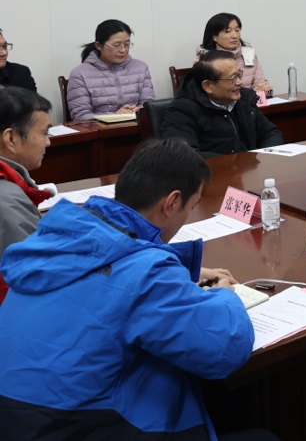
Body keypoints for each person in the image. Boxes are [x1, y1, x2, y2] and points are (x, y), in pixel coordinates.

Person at [0, 138, 266, 440]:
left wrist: (177, 271)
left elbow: (109, 275)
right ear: (172, 202)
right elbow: (225, 347)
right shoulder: (146, 275)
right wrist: (225, 295)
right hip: (78, 426)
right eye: (191, 207)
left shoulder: (56, 237)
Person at [162, 51, 284, 158]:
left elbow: (271, 133)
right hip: (212, 174)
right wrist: (234, 163)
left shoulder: (244, 100)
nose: (240, 82)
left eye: (239, 74)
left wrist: (264, 157)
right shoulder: (181, 111)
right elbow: (184, 155)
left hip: (248, 171)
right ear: (208, 86)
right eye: (233, 78)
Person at [0, 88, 51, 300]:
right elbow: (38, 277)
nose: (48, 142)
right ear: (11, 138)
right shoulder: (7, 202)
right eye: (45, 133)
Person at [65, 19, 156, 121]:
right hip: (100, 130)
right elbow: (80, 116)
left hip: (138, 127)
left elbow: (150, 104)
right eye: (116, 45)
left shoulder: (140, 68)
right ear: (98, 46)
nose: (123, 50)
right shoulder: (80, 74)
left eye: (127, 44)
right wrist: (115, 116)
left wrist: (138, 111)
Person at [195, 12, 271, 93]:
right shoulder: (204, 60)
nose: (235, 36)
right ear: (214, 37)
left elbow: (260, 80)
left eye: (237, 30)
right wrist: (250, 95)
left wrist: (263, 88)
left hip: (251, 99)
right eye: (228, 31)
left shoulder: (248, 54)